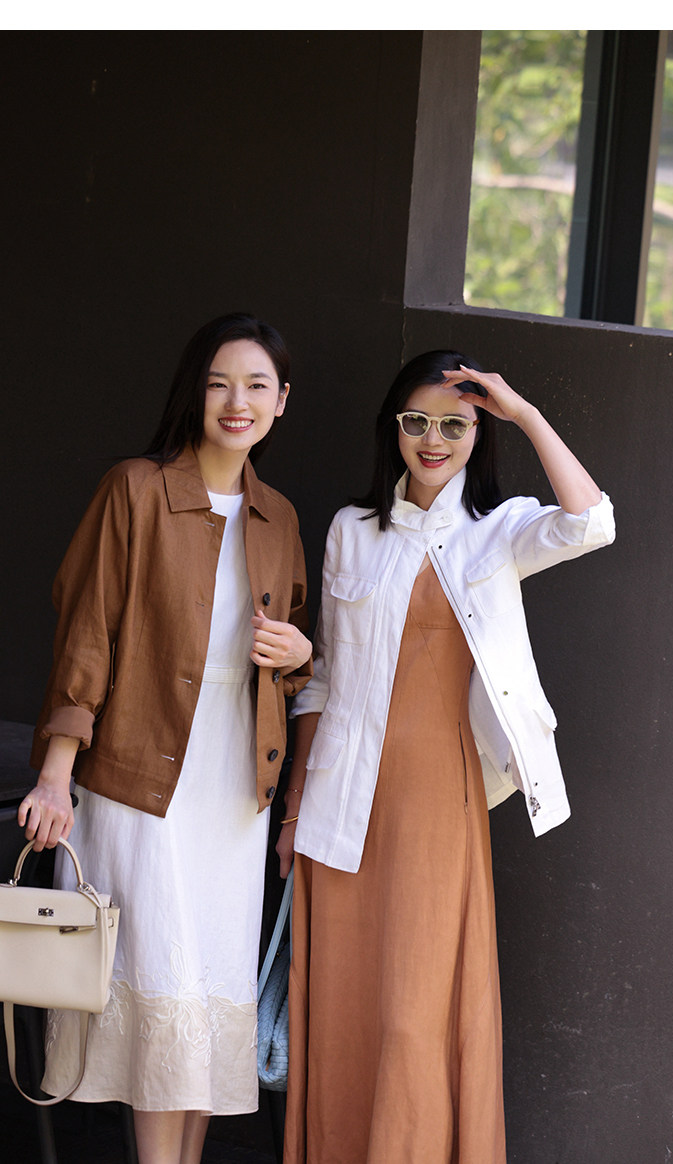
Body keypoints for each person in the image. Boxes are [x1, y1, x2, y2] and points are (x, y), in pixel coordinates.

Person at [277, 350, 615, 1164]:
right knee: (343, 1007)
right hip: (342, 800)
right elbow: (321, 677)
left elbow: (591, 522)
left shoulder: (498, 530)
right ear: (393, 429)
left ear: (477, 433)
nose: (433, 440)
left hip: (439, 801)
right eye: (417, 422)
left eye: (455, 425)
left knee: (413, 1014)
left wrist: (521, 412)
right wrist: (292, 811)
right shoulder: (352, 531)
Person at [19, 313, 313, 1164]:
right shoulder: (136, 489)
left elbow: (294, 658)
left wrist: (298, 656)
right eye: (220, 383)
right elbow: (87, 634)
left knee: (207, 998)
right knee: (164, 986)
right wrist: (55, 775)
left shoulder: (279, 516)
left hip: (234, 790)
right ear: (195, 390)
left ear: (281, 402)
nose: (237, 402)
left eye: (257, 386)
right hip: (137, 779)